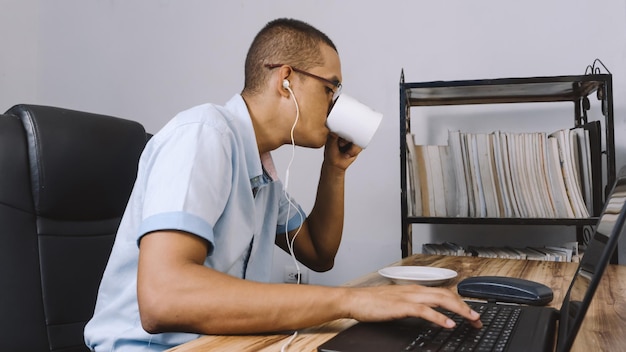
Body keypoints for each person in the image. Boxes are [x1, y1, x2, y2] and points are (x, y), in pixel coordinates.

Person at [84, 18, 482, 351]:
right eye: (330, 89)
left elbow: (318, 253)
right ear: (286, 79)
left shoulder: (263, 172)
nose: (335, 105)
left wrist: (335, 169)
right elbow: (163, 299)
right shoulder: (204, 135)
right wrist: (354, 300)